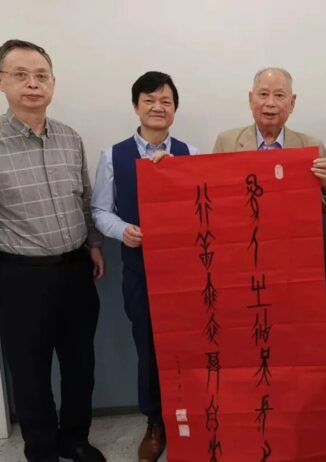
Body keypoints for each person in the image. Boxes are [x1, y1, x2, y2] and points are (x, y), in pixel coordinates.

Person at [0, 39, 105, 462]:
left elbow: (85, 198)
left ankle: (74, 438)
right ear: (2, 81)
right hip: (21, 276)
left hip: (76, 270)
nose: (33, 83)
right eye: (21, 75)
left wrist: (94, 245)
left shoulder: (69, 138)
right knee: (30, 373)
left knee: (81, 365)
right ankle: (41, 449)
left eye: (41, 75)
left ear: (53, 83)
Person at [91, 71, 198, 462]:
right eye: (150, 100)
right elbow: (100, 210)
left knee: (191, 344)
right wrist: (122, 231)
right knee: (149, 348)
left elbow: (204, 208)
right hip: (139, 270)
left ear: (175, 110)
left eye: (166, 101)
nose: (158, 107)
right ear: (136, 106)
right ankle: (155, 422)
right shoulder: (113, 155)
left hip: (186, 273)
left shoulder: (191, 154)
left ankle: (195, 415)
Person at [212, 67, 326, 208]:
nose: (270, 103)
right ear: (251, 99)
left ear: (292, 103)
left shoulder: (312, 146)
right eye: (263, 94)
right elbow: (215, 201)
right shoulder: (226, 143)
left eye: (279, 95)